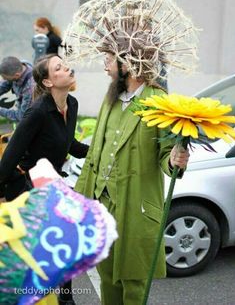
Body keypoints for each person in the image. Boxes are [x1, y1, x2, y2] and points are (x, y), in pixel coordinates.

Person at [75, 52, 190, 305]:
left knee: (134, 281)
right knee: (106, 277)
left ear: (130, 62)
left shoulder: (158, 101)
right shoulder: (111, 99)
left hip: (136, 204)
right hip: (101, 201)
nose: (105, 65)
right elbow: (95, 152)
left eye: (109, 59)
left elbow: (165, 155)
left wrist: (174, 160)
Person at [0, 54, 89, 305]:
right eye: (58, 68)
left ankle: (65, 298)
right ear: (48, 82)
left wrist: (98, 151)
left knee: (64, 240)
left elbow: (67, 142)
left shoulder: (71, 104)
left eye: (65, 64)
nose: (67, 68)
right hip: (27, 186)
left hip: (52, 182)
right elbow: (10, 156)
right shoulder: (37, 112)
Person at [0, 56, 34, 122]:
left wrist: (1, 111)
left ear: (17, 75)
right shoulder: (18, 66)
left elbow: (22, 116)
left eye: (6, 78)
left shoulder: (30, 89)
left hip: (33, 118)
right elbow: (5, 84)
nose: (3, 80)